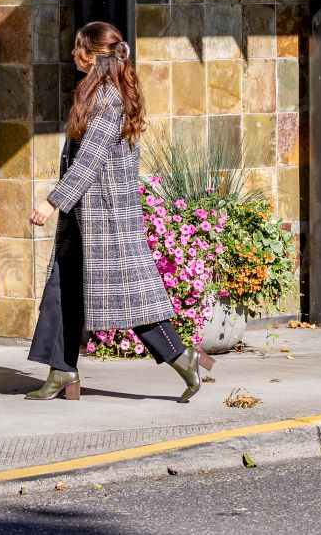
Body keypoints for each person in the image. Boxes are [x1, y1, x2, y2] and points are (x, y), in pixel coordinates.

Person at [25, 20, 214, 402]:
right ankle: (61, 369)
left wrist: (52, 201)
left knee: (130, 298)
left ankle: (182, 356)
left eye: (78, 48)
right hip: (87, 215)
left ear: (94, 55)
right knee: (63, 288)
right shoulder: (99, 92)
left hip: (106, 218)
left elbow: (89, 161)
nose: (73, 54)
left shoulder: (108, 98)